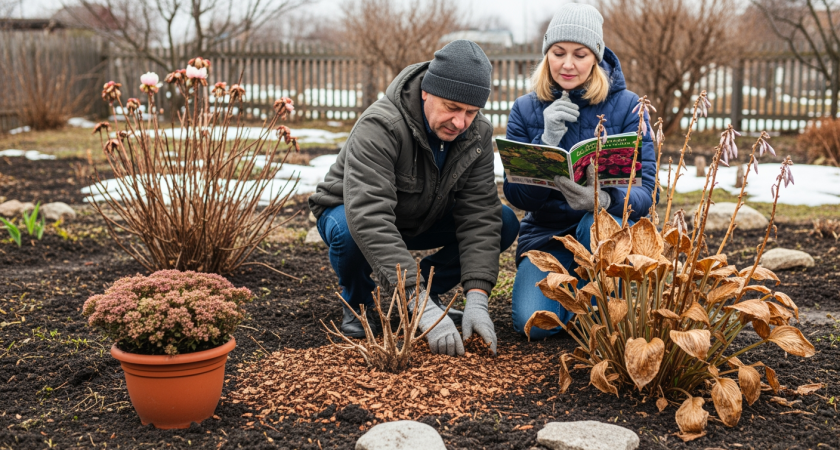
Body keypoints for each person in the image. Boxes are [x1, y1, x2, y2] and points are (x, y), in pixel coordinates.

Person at [309, 40, 520, 356]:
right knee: (347, 230)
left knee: (502, 221)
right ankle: (359, 303)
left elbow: (479, 213)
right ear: (426, 91)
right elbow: (370, 215)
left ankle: (426, 293)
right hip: (353, 212)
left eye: (471, 112)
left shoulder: (477, 133)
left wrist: (477, 298)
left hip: (424, 215)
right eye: (451, 108)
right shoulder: (381, 125)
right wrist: (416, 299)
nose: (460, 123)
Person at [504, 4, 656, 339]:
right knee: (532, 325)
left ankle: (600, 306)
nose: (567, 64)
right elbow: (516, 196)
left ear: (597, 57)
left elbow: (648, 192)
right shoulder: (525, 108)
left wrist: (603, 199)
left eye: (580, 54)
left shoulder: (629, 106)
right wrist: (546, 141)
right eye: (558, 53)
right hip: (547, 234)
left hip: (605, 231)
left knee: (595, 226)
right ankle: (581, 305)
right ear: (547, 55)